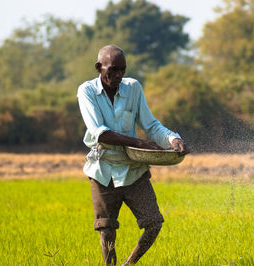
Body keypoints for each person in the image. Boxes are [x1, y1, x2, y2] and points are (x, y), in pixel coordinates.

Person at [77, 44, 188, 265]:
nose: (118, 75)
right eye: (113, 70)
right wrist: (140, 143)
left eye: (122, 70)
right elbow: (100, 133)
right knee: (106, 230)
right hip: (103, 170)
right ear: (99, 67)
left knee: (154, 223)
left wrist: (172, 139)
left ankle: (129, 265)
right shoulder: (87, 91)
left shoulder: (133, 88)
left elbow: (151, 125)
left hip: (133, 169)